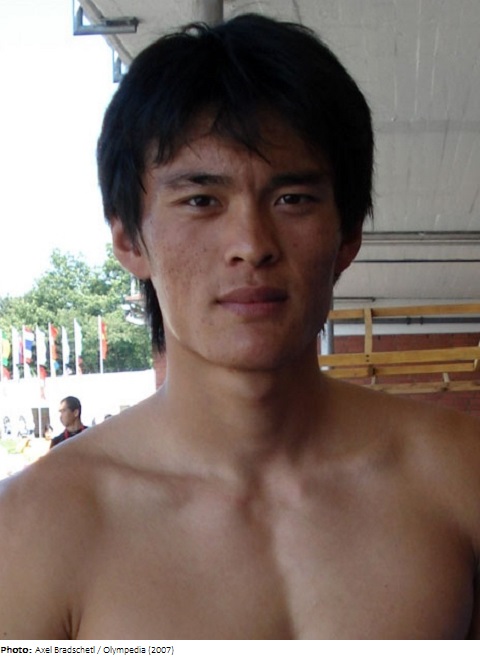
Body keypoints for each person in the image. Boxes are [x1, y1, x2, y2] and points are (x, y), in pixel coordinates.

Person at [0, 13, 479, 640]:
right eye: (201, 201)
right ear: (128, 239)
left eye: (292, 199)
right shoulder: (32, 530)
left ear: (348, 235)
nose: (251, 244)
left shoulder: (459, 476)